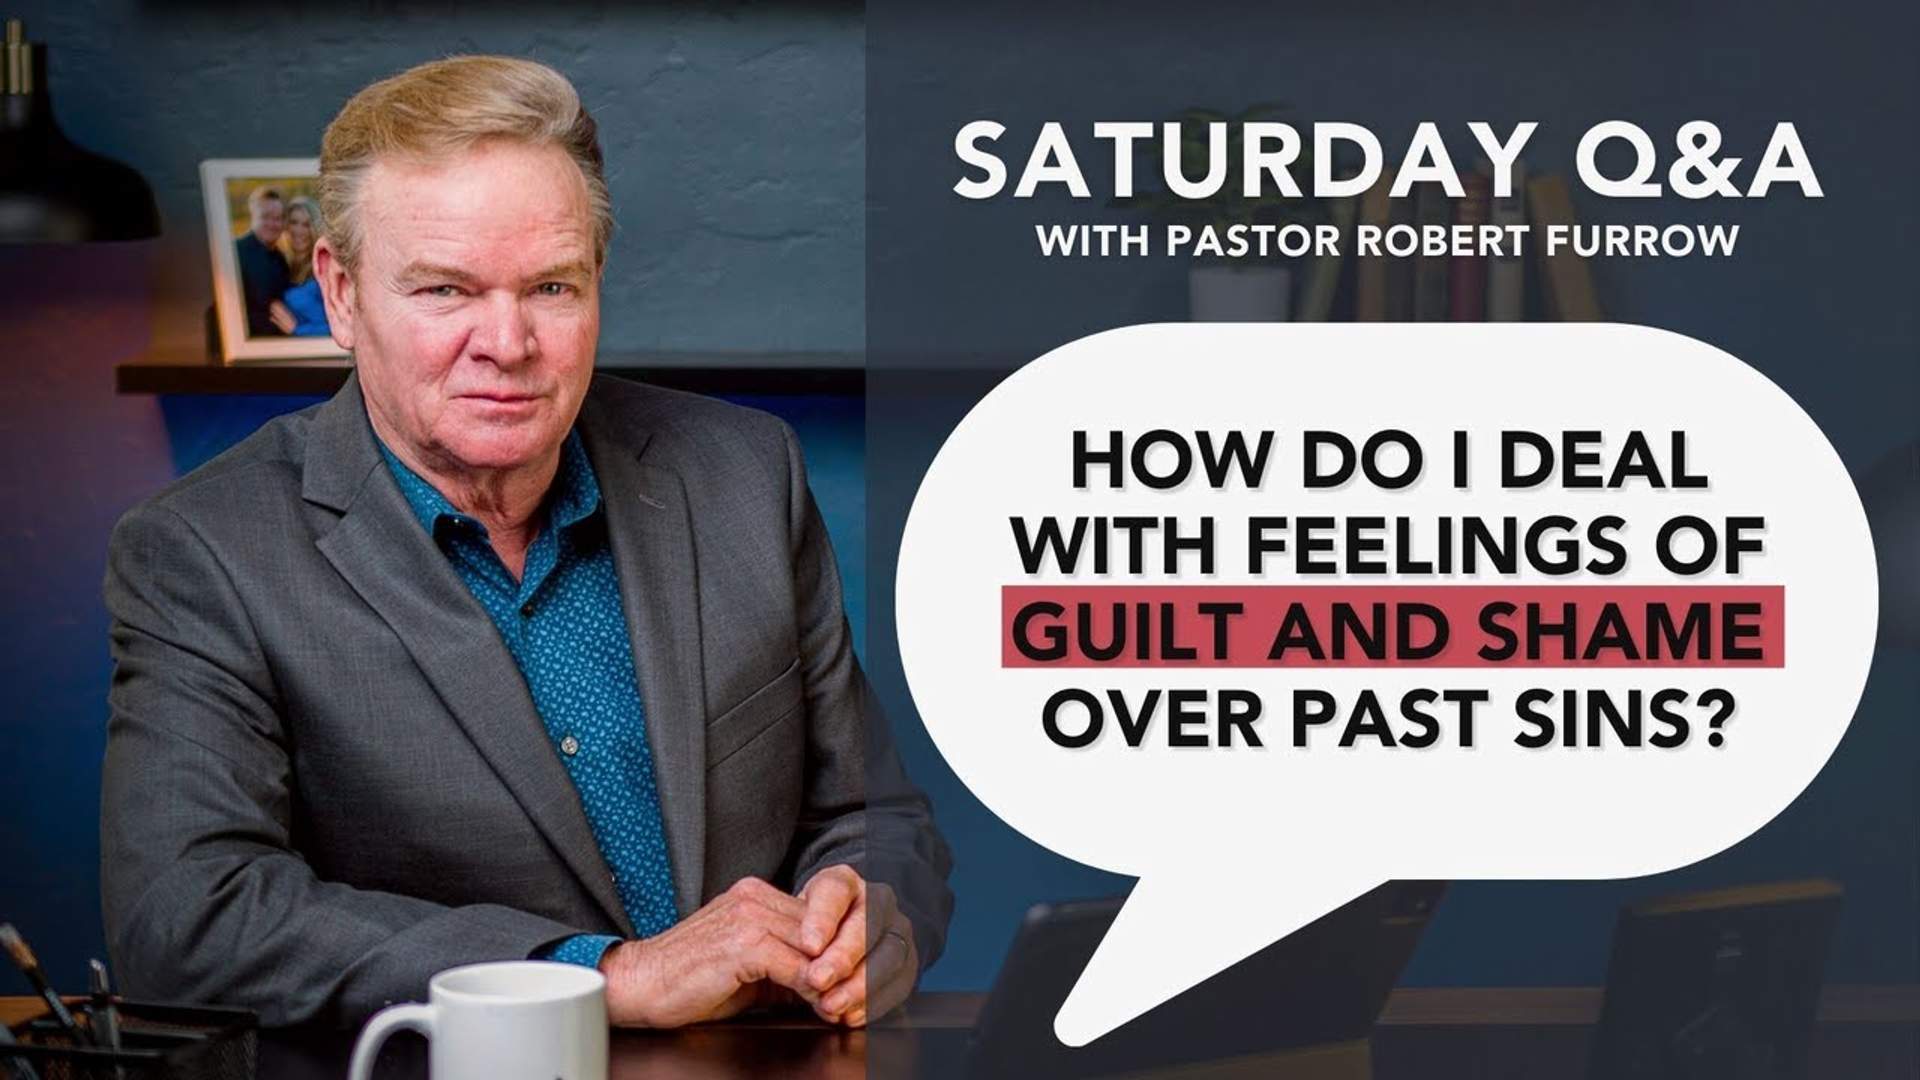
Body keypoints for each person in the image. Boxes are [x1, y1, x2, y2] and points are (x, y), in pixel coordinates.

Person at [100, 55, 953, 1030]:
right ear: (339, 294)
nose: (507, 343)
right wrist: (600, 977)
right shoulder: (204, 552)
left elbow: (875, 819)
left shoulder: (745, 472)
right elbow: (187, 921)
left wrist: (872, 914)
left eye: (550, 286)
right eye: (444, 292)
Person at [232, 185, 291, 336]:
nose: (272, 224)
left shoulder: (280, 258)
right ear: (253, 217)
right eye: (265, 217)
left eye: (277, 218)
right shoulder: (235, 253)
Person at [270, 196, 332, 336]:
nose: (298, 230)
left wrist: (297, 330)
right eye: (294, 222)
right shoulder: (281, 264)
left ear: (316, 229)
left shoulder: (326, 268)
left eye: (306, 224)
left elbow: (344, 328)